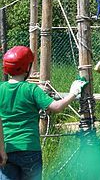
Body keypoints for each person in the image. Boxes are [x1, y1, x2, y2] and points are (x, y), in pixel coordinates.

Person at [0, 46, 87, 180]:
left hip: (6, 149)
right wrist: (73, 93)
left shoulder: (1, 89)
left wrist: (1, 149)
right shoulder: (31, 89)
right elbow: (57, 106)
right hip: (29, 148)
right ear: (26, 67)